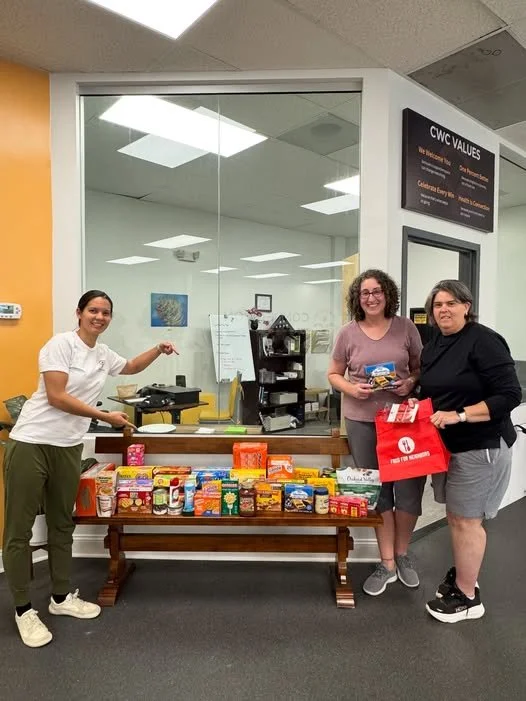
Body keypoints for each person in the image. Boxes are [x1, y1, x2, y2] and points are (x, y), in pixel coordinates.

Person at [3, 290, 178, 648]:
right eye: (93, 310)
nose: (99, 317)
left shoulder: (101, 354)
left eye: (106, 312)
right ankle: (23, 610)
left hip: (67, 447)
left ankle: (61, 598)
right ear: (79, 313)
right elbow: (57, 396)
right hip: (32, 443)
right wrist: (105, 417)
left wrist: (157, 350)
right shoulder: (60, 345)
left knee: (62, 524)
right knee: (19, 530)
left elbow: (129, 367)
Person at [420, 280, 521, 623]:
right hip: (450, 448)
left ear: (467, 305)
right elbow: (432, 387)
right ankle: (465, 578)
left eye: (451, 303)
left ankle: (467, 598)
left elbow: (509, 395)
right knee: (458, 516)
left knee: (466, 520)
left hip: (482, 445)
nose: (443, 309)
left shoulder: (484, 341)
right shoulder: (436, 343)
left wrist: (459, 415)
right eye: (437, 305)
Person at [328, 269, 424, 596]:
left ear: (387, 295)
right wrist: (352, 390)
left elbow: (419, 367)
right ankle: (387, 563)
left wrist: (410, 382)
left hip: (403, 420)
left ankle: (403, 554)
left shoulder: (406, 328)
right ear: (358, 298)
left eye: (377, 291)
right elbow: (333, 374)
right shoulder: (347, 333)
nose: (371, 297)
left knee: (409, 491)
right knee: (379, 490)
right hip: (362, 421)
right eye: (364, 292)